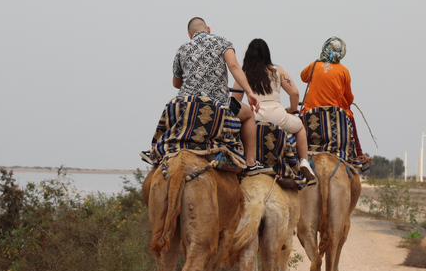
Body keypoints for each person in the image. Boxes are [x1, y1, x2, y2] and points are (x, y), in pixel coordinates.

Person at [145, 17, 263, 173]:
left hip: (187, 102)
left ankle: (156, 150)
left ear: (189, 34)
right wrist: (249, 92)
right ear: (209, 29)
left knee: (171, 105)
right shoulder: (223, 42)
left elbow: (176, 83)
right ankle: (250, 162)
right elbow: (233, 65)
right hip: (216, 103)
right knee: (248, 115)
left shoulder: (182, 48)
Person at [231, 38, 316, 184]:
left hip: (255, 117)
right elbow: (294, 93)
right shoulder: (278, 71)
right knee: (300, 128)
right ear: (267, 54)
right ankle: (304, 161)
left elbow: (235, 101)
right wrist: (292, 109)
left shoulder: (243, 74)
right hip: (278, 116)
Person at [300, 37, 372, 165]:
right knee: (350, 115)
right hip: (335, 113)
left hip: (311, 111)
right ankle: (359, 154)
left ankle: (296, 155)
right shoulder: (344, 71)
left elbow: (303, 77)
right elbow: (349, 98)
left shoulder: (314, 65)